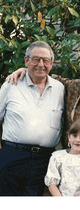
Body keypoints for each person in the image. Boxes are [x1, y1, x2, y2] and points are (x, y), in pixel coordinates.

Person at [6, 53, 80, 196]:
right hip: (68, 158)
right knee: (49, 190)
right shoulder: (74, 88)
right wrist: (26, 71)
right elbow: (49, 77)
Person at [0, 41, 64, 196]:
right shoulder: (11, 85)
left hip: (44, 160)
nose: (41, 64)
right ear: (26, 61)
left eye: (46, 60)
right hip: (12, 156)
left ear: (51, 63)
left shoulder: (60, 88)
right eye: (35, 59)